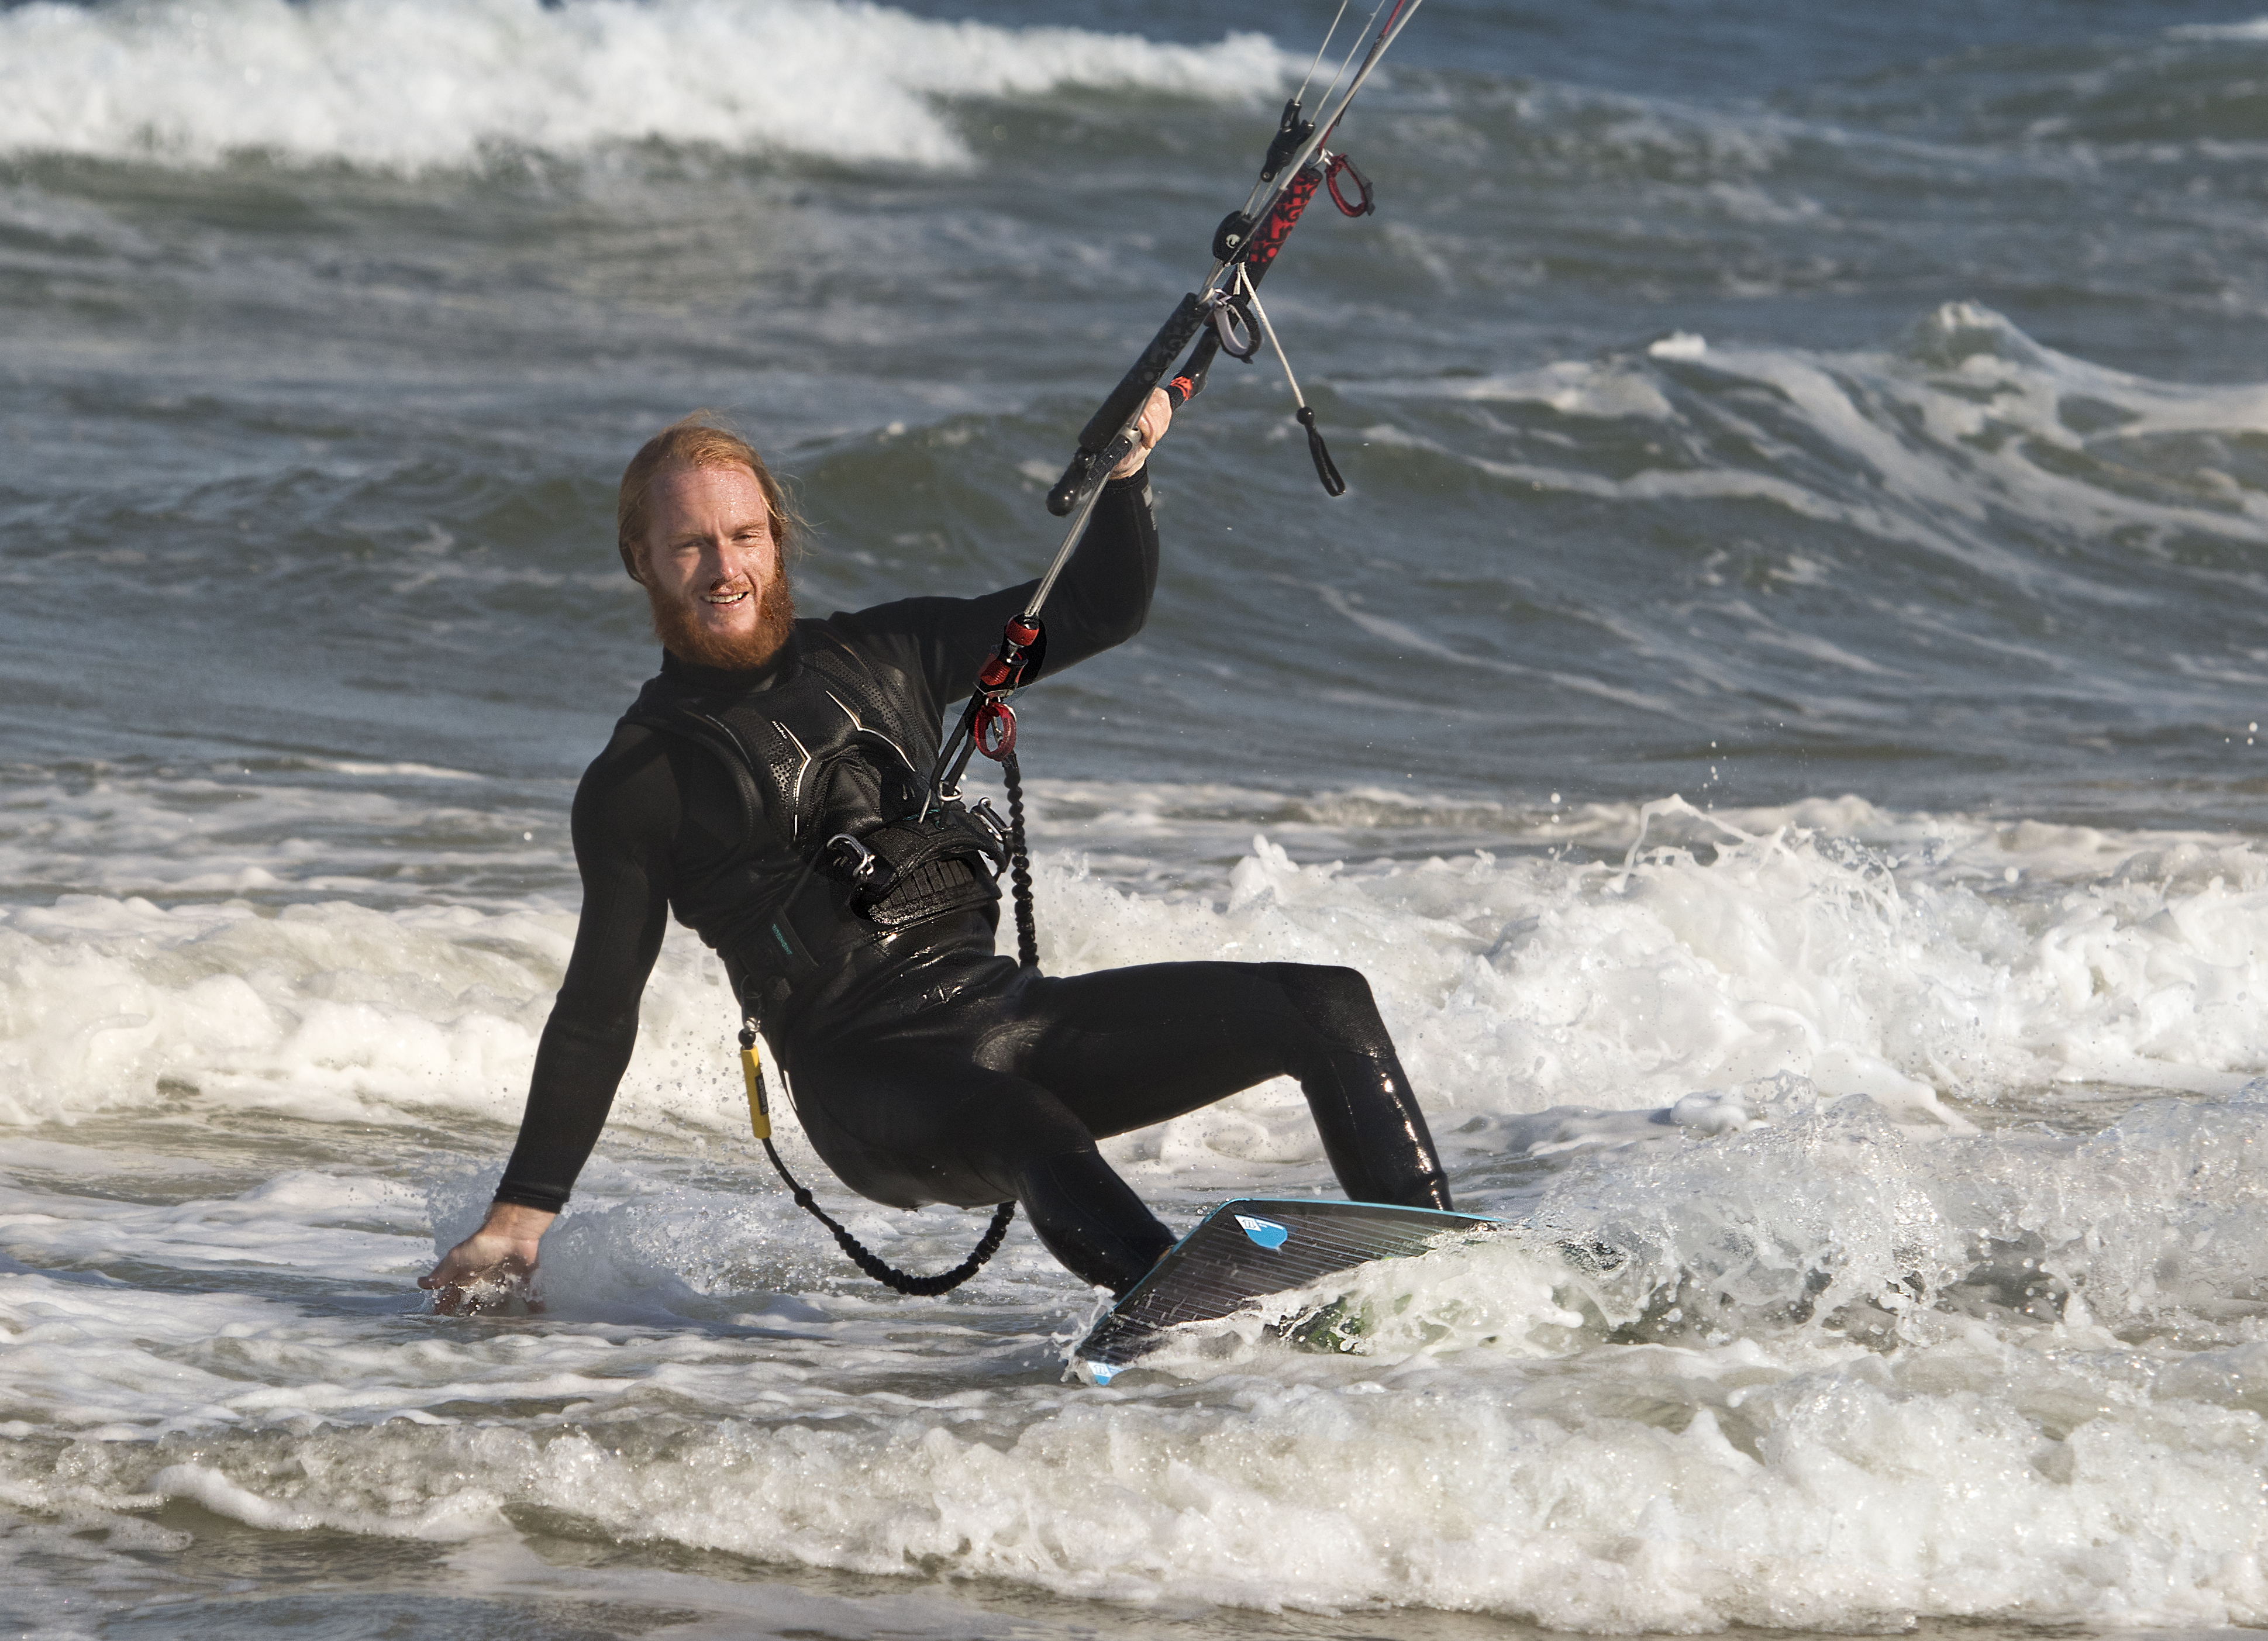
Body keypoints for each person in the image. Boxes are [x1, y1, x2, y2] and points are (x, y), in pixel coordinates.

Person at [420, 394, 1452, 1312]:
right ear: (641, 561)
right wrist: (521, 1215)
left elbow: (1097, 610)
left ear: (776, 540)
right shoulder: (642, 778)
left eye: (742, 535)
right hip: (868, 1084)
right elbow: (600, 1010)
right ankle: (1177, 1308)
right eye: (689, 546)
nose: (724, 568)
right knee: (1027, 1124)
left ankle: (1441, 1275)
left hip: (1003, 1018)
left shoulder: (892, 652)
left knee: (1324, 1003)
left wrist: (1127, 473)